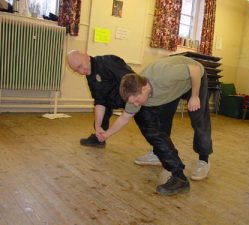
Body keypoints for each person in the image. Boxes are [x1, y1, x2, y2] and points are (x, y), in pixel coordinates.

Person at [98, 56, 213, 196]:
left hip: (193, 79)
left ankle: (203, 160)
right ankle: (157, 154)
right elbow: (124, 118)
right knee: (162, 121)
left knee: (199, 119)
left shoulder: (164, 75)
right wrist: (106, 135)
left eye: (137, 100)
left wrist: (195, 96)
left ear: (145, 88)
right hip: (173, 88)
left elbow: (194, 70)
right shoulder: (135, 95)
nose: (135, 104)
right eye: (132, 102)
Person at [67, 50, 134, 148]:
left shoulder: (108, 62)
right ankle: (99, 138)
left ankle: (158, 152)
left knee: (148, 124)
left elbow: (133, 82)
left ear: (86, 56)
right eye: (76, 70)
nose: (81, 71)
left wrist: (133, 104)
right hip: (113, 100)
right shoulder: (89, 75)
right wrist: (98, 127)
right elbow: (99, 100)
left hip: (134, 97)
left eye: (80, 66)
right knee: (100, 119)